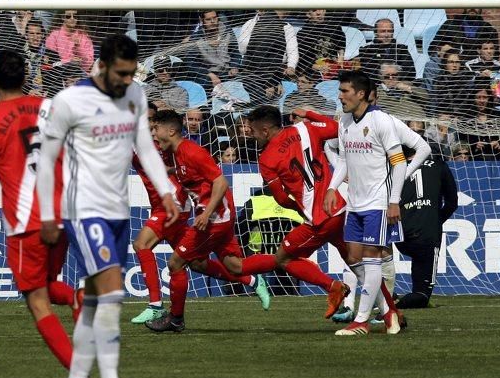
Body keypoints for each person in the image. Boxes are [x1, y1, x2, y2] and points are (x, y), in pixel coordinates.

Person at [36, 34, 178, 378]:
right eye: (120, 74)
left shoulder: (134, 95)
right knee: (113, 296)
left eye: (132, 74)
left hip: (117, 211)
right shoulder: (70, 101)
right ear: (101, 66)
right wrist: (48, 216)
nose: (126, 81)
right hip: (84, 211)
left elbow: (144, 146)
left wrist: (166, 190)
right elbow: (47, 160)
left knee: (97, 301)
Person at [0, 49, 79, 374]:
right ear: (26, 77)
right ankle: (79, 299)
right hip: (65, 213)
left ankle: (77, 372)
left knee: (36, 300)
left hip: (29, 221)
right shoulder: (52, 107)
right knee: (49, 284)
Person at [144, 111, 271, 334]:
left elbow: (221, 182)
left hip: (214, 218)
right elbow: (190, 174)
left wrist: (206, 213)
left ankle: (175, 319)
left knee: (175, 263)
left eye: (157, 129)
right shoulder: (176, 154)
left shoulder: (192, 151)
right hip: (217, 216)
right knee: (233, 266)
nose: (154, 133)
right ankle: (256, 278)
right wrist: (168, 171)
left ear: (171, 131)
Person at [239, 105, 353, 318]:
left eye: (253, 131)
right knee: (359, 265)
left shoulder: (266, 159)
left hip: (318, 219)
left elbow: (281, 198)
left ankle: (333, 286)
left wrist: (300, 208)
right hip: (339, 209)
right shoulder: (305, 128)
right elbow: (337, 128)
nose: (251, 135)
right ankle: (391, 312)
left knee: (284, 258)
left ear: (265, 130)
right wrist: (310, 112)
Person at [324, 70, 406, 336]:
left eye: (345, 91)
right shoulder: (345, 121)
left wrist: (394, 201)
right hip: (355, 203)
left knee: (372, 258)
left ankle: (361, 321)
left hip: (378, 202)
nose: (340, 96)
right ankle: (389, 310)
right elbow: (345, 160)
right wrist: (332, 187)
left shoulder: (381, 120)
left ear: (361, 94)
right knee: (353, 258)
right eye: (340, 91)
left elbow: (399, 162)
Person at [129, 110, 192, 324]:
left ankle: (155, 305)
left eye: (151, 122)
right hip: (171, 204)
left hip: (171, 204)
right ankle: (249, 278)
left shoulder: (158, 144)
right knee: (191, 262)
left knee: (141, 244)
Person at [396, 146, 458, 309]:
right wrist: (436, 220)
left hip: (400, 232)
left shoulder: (394, 168)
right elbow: (452, 203)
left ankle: (384, 296)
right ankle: (392, 304)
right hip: (427, 235)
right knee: (421, 296)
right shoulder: (439, 165)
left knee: (374, 262)